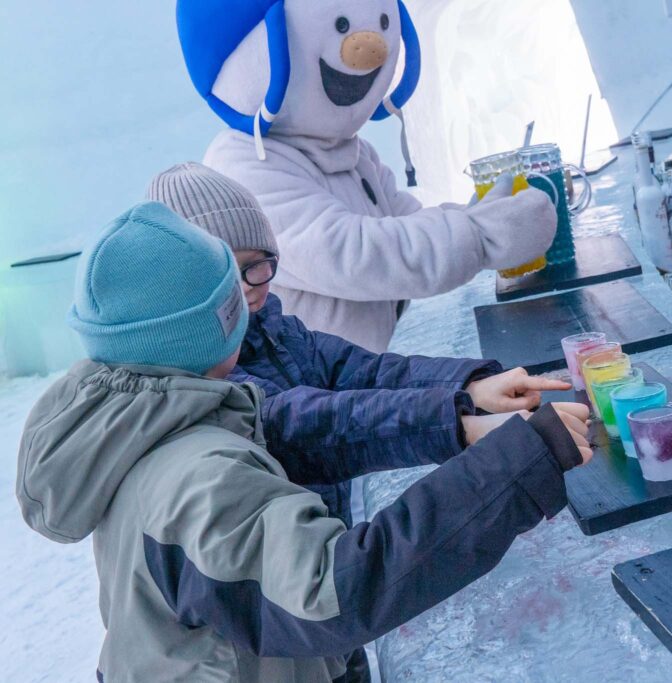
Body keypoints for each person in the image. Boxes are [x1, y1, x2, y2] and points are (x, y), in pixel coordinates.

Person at [17, 201, 592, 683]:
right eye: (231, 295)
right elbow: (339, 586)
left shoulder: (144, 418)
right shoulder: (199, 472)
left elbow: (352, 379)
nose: (249, 298)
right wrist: (520, 460)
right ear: (208, 327)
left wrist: (462, 394)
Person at [146, 162, 570, 528]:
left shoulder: (274, 329)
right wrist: (457, 423)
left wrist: (473, 385)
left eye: (256, 263)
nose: (248, 286)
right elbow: (306, 424)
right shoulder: (197, 375)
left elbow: (368, 372)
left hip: (322, 535)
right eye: (225, 272)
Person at [177, 0, 558, 352]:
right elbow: (352, 254)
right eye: (342, 25)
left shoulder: (346, 149)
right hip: (318, 398)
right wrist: (481, 237)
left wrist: (478, 215)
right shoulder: (242, 165)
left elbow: (403, 218)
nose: (372, 47)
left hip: (370, 373)